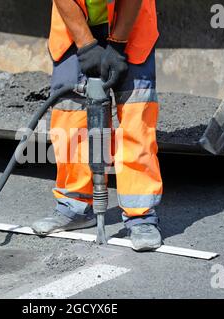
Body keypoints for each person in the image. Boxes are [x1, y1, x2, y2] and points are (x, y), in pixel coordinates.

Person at [31, 0, 163, 251]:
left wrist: (117, 44)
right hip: (73, 24)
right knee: (69, 113)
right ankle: (74, 205)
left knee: (136, 115)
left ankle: (141, 215)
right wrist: (85, 44)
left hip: (131, 23)